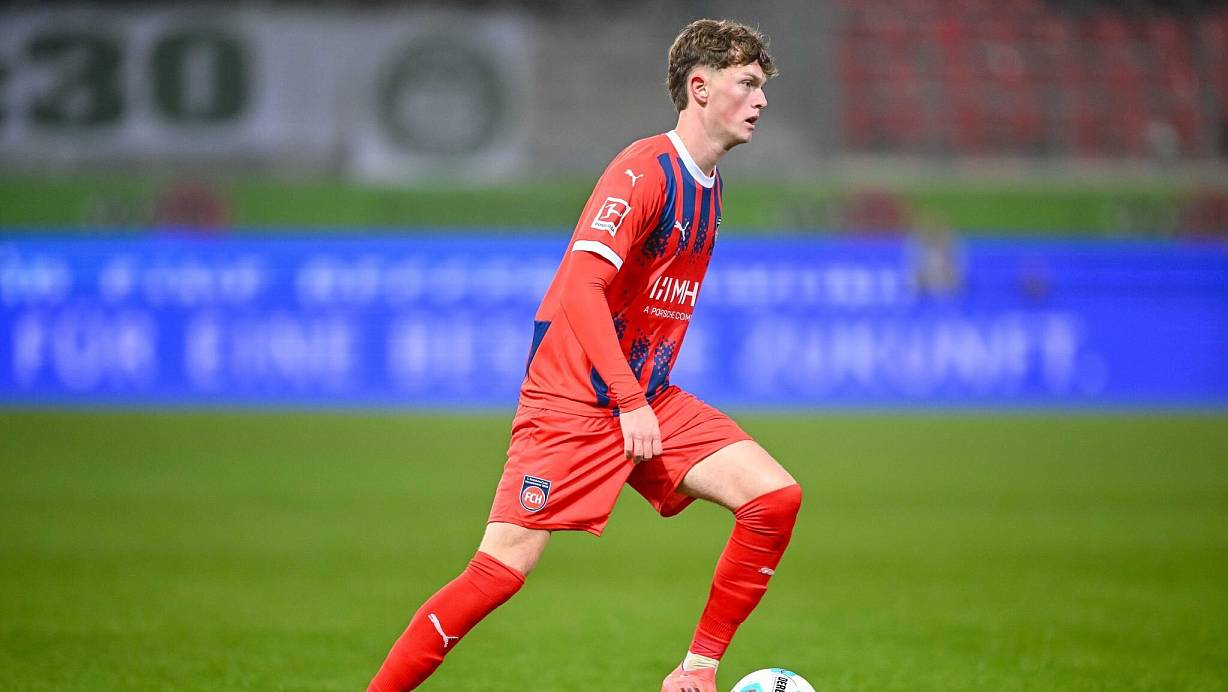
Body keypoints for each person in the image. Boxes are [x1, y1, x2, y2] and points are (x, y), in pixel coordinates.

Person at [368, 18, 802, 692]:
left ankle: (695, 672)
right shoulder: (644, 171)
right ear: (699, 86)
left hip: (646, 395)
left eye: (761, 86)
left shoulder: (710, 191)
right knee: (499, 571)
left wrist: (638, 396)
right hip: (576, 398)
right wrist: (627, 399)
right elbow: (580, 285)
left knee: (774, 498)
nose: (761, 100)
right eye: (747, 83)